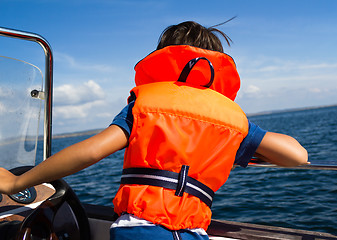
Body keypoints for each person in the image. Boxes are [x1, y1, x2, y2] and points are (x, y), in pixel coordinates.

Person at [0, 21, 308, 240]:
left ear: (164, 58)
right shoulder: (230, 120)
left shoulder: (145, 105)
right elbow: (296, 156)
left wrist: (19, 180)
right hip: (194, 233)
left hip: (139, 229)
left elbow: (91, 151)